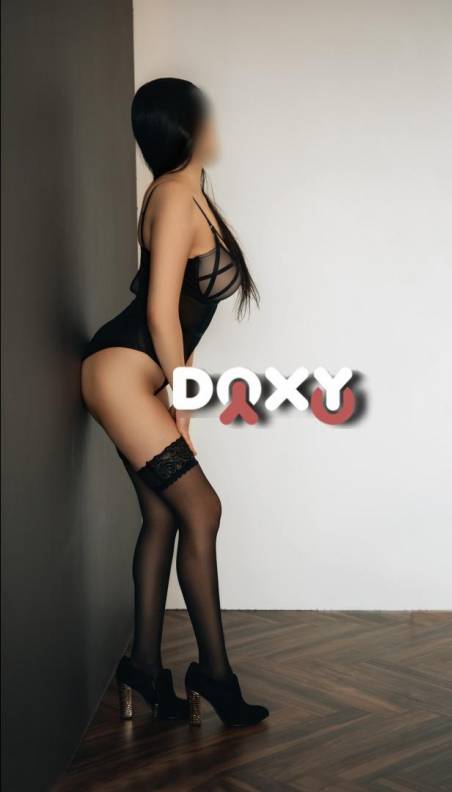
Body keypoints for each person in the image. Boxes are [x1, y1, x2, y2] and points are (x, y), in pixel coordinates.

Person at [81, 78, 268, 728]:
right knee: (203, 509)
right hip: (122, 370)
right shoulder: (171, 196)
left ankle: (145, 669)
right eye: (206, 116)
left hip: (141, 374)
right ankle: (214, 676)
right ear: (185, 127)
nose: (216, 125)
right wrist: (183, 404)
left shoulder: (190, 193)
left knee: (163, 517)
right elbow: (162, 312)